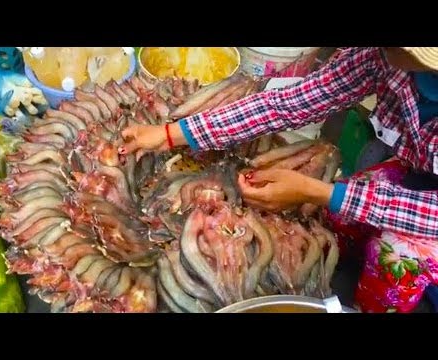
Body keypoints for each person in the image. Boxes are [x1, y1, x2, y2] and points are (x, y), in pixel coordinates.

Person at [121, 47, 438, 313]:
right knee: (339, 220)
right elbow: (290, 102)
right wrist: (175, 133)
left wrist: (318, 192)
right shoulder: (381, 56)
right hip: (416, 169)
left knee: (393, 257)